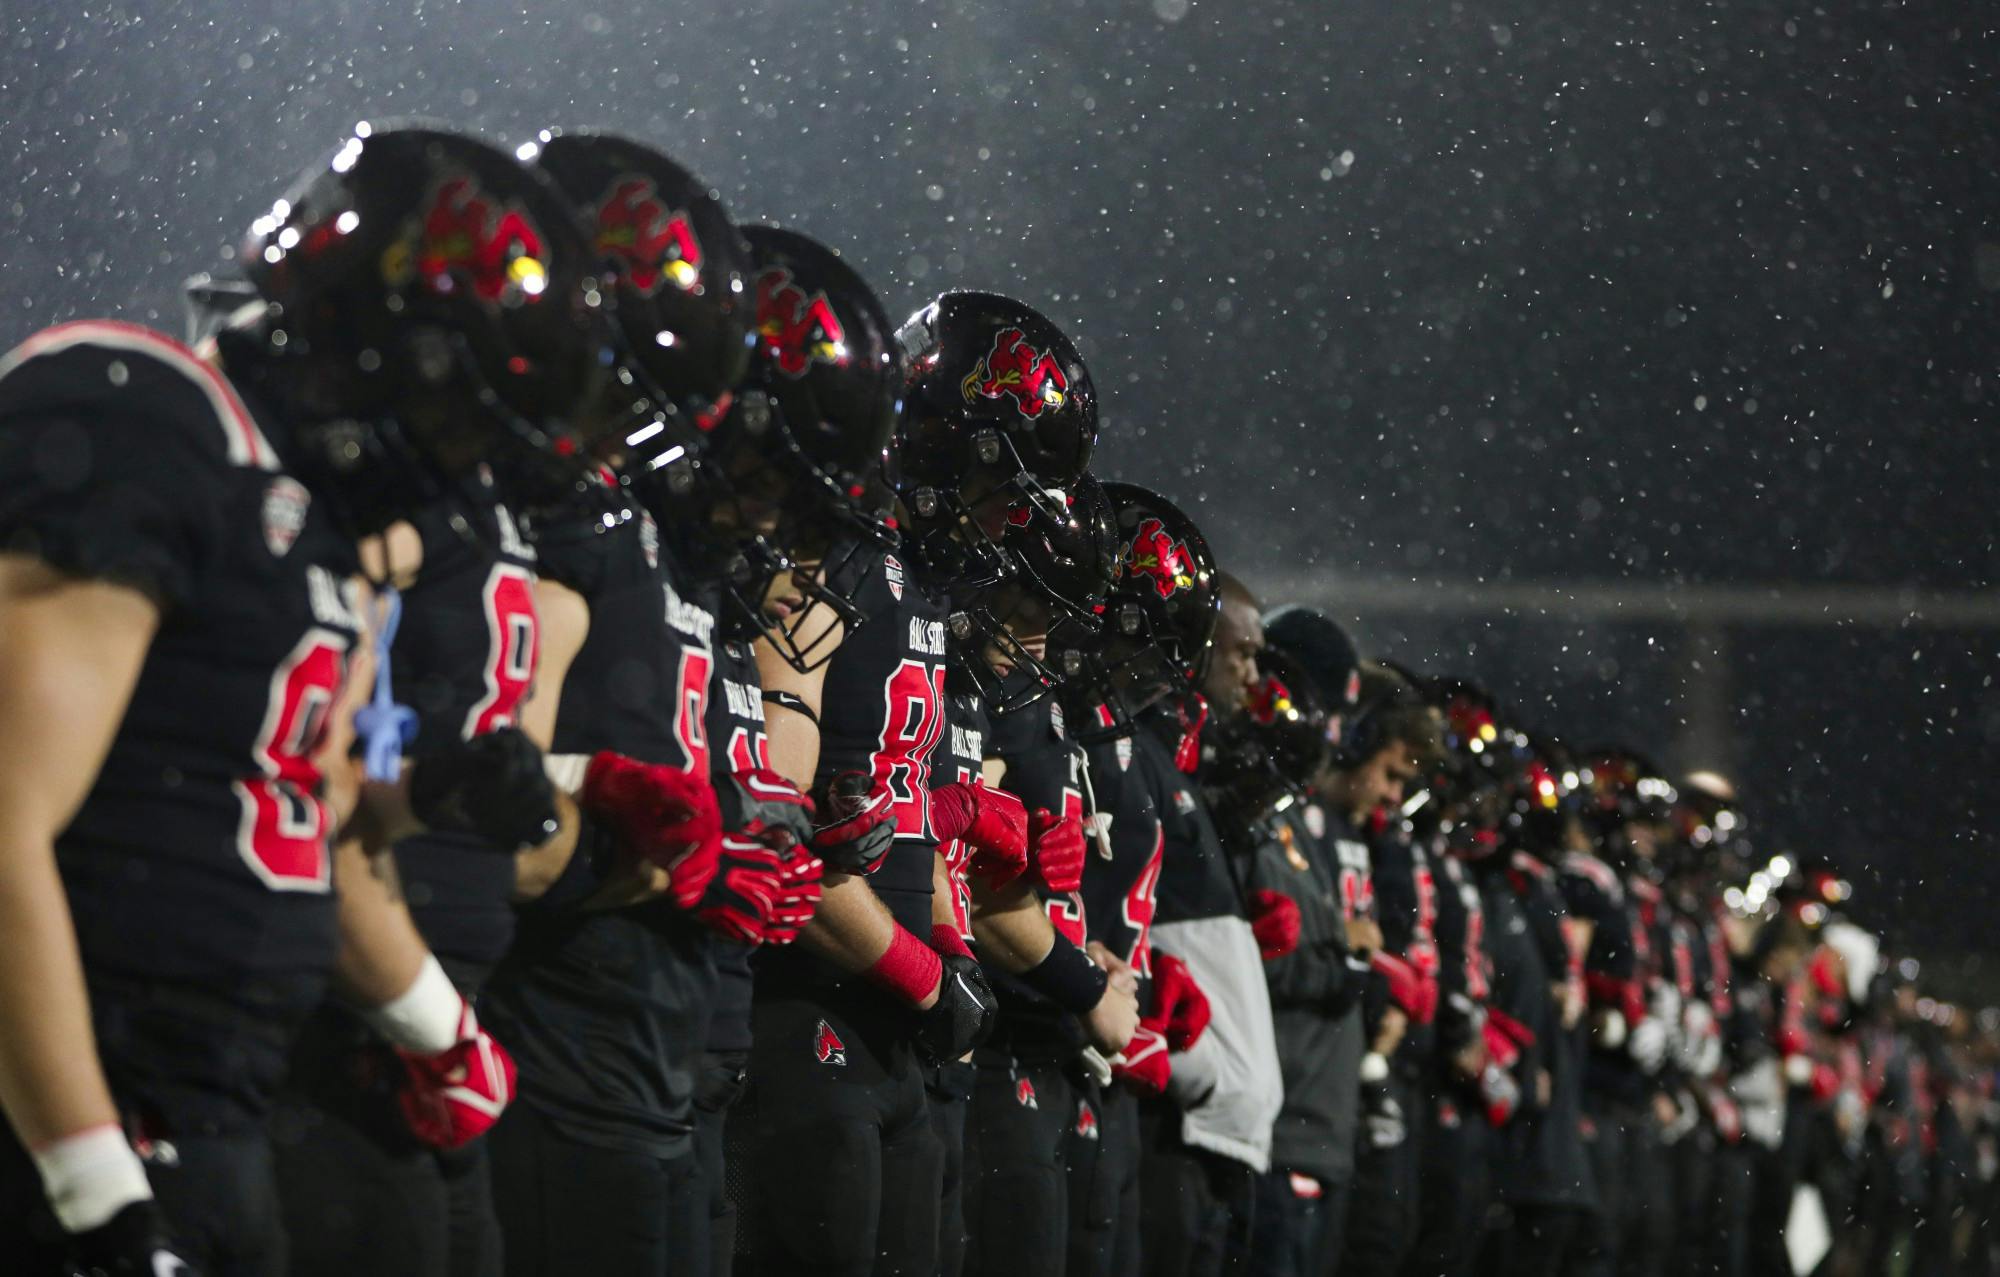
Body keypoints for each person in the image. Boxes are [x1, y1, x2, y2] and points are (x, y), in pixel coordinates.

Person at [0, 124, 614, 1275]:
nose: (458, 465)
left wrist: (426, 788)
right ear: (379, 348)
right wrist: (91, 1181)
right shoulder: (149, 418)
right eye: (455, 418)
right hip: (84, 1105)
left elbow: (296, 798)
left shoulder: (321, 516)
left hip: (219, 1098)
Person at [478, 144, 846, 1277]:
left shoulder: (671, 549)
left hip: (667, 1054)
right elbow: (477, 820)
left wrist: (721, 842)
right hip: (562, 1045)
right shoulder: (547, 526)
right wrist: (662, 858)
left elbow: (738, 782)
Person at [735, 288, 1099, 1277]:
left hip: (895, 1022)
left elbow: (915, 810)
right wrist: (920, 969)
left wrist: (950, 938)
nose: (1000, 524)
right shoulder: (829, 546)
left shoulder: (915, 579)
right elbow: (776, 819)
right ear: (952, 442)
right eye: (999, 491)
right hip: (812, 1001)